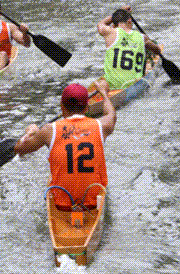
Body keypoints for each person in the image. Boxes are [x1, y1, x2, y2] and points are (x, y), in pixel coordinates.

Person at [13, 80, 115, 210]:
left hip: (62, 205)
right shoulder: (102, 126)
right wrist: (104, 93)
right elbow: (111, 115)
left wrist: (30, 133)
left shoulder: (49, 130)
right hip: (93, 203)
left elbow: (19, 149)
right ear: (87, 108)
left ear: (62, 106)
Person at [97, 7, 162, 91]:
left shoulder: (110, 33)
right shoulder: (143, 38)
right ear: (129, 21)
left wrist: (119, 11)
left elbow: (100, 24)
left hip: (113, 86)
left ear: (114, 25)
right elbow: (157, 50)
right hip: (133, 84)